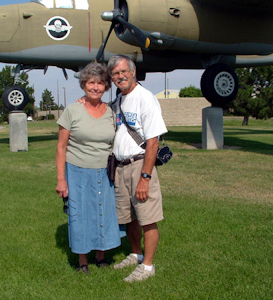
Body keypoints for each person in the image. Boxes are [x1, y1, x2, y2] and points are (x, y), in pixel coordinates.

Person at [55, 62, 121, 274]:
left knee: (102, 212)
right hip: (76, 171)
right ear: (84, 85)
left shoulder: (111, 112)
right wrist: (61, 180)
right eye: (91, 83)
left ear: (106, 86)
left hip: (104, 172)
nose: (95, 87)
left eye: (100, 83)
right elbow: (61, 147)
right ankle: (82, 260)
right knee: (80, 215)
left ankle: (101, 256)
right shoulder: (72, 110)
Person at [108, 55, 168, 282]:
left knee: (147, 218)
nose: (120, 76)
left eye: (124, 71)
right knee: (128, 218)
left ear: (133, 72)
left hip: (140, 165)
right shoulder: (119, 101)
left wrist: (145, 177)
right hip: (120, 168)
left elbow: (153, 142)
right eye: (115, 73)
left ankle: (148, 266)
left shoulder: (145, 98)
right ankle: (135, 253)